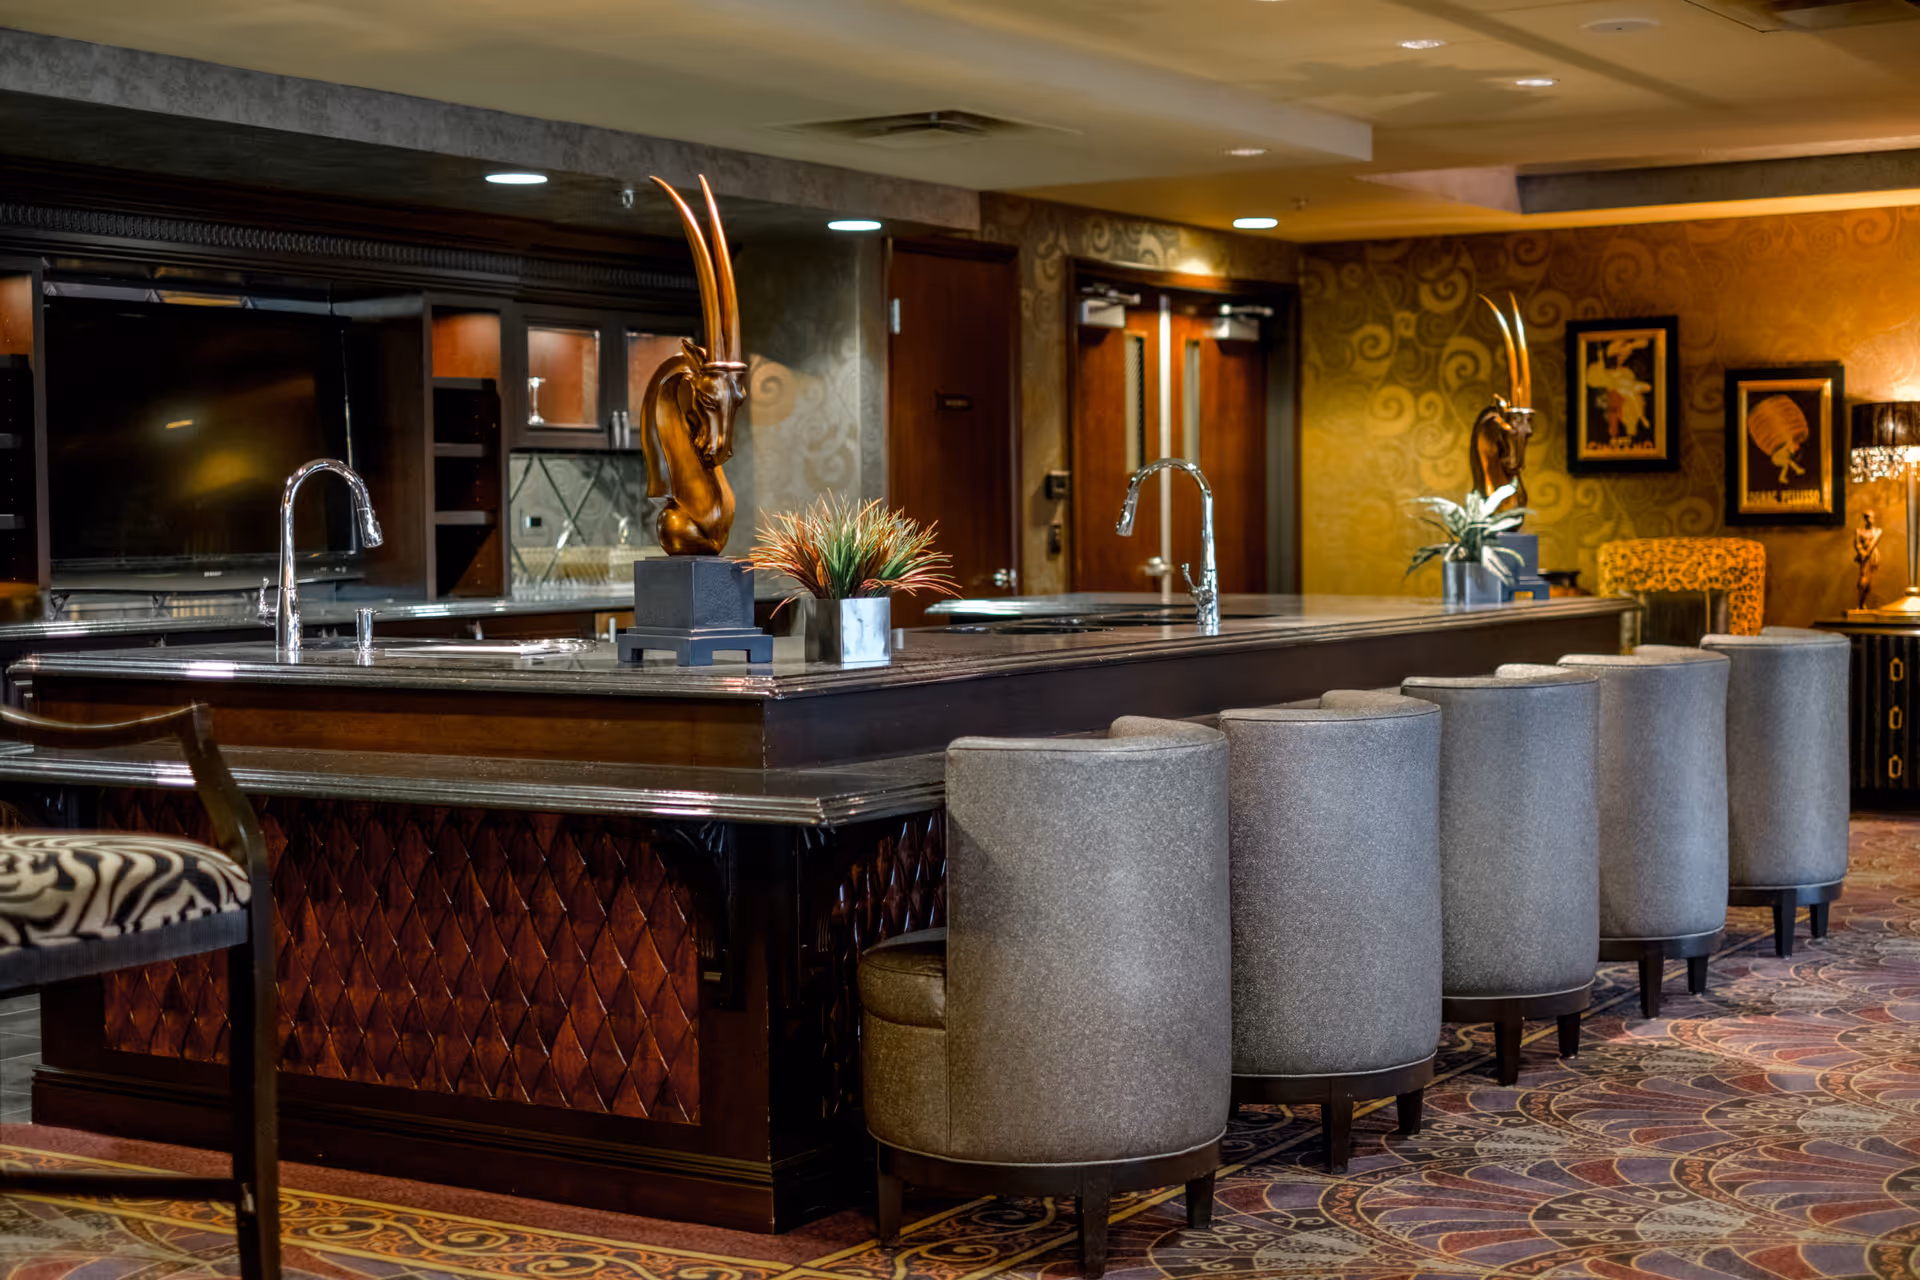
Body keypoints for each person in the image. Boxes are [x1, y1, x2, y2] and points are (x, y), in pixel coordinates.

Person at [1857, 509, 1883, 611]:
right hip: (1863, 556)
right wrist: (1861, 552)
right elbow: (1857, 544)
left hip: (1872, 556)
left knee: (1869, 581)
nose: (1870, 520)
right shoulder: (1859, 531)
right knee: (1863, 578)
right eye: (1867, 517)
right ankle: (1860, 604)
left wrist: (1867, 553)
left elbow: (1873, 542)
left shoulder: (1877, 531)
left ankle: (1862, 604)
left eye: (1871, 517)